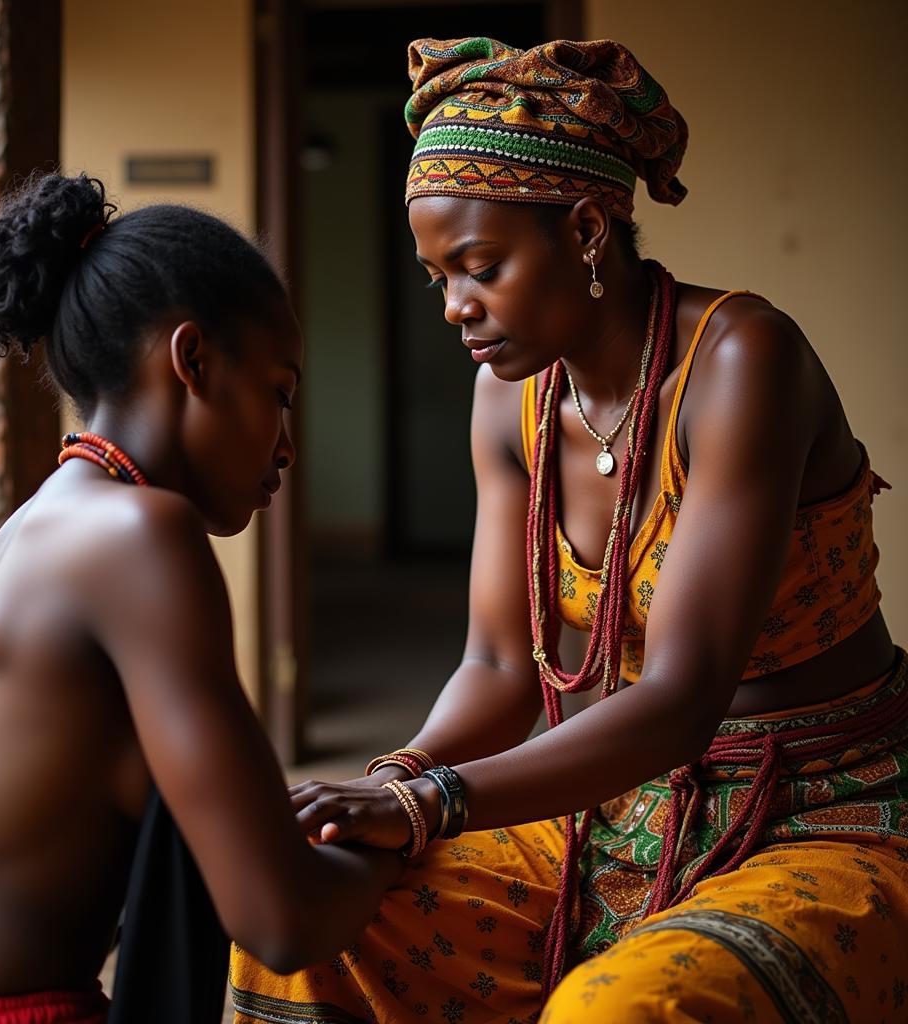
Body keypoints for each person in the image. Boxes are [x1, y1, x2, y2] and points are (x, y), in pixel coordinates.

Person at [230, 36, 908, 1023]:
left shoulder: (738, 362)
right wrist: (396, 777)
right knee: (309, 922)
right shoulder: (507, 404)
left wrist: (434, 804)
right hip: (616, 805)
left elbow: (680, 698)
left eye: (480, 267)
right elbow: (501, 669)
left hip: (816, 808)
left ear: (587, 229)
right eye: (437, 278)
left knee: (621, 1007)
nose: (456, 307)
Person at [0, 172, 402, 1024]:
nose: (287, 444)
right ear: (192, 360)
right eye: (280, 392)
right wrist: (409, 830)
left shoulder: (37, 526)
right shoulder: (142, 537)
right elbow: (281, 916)